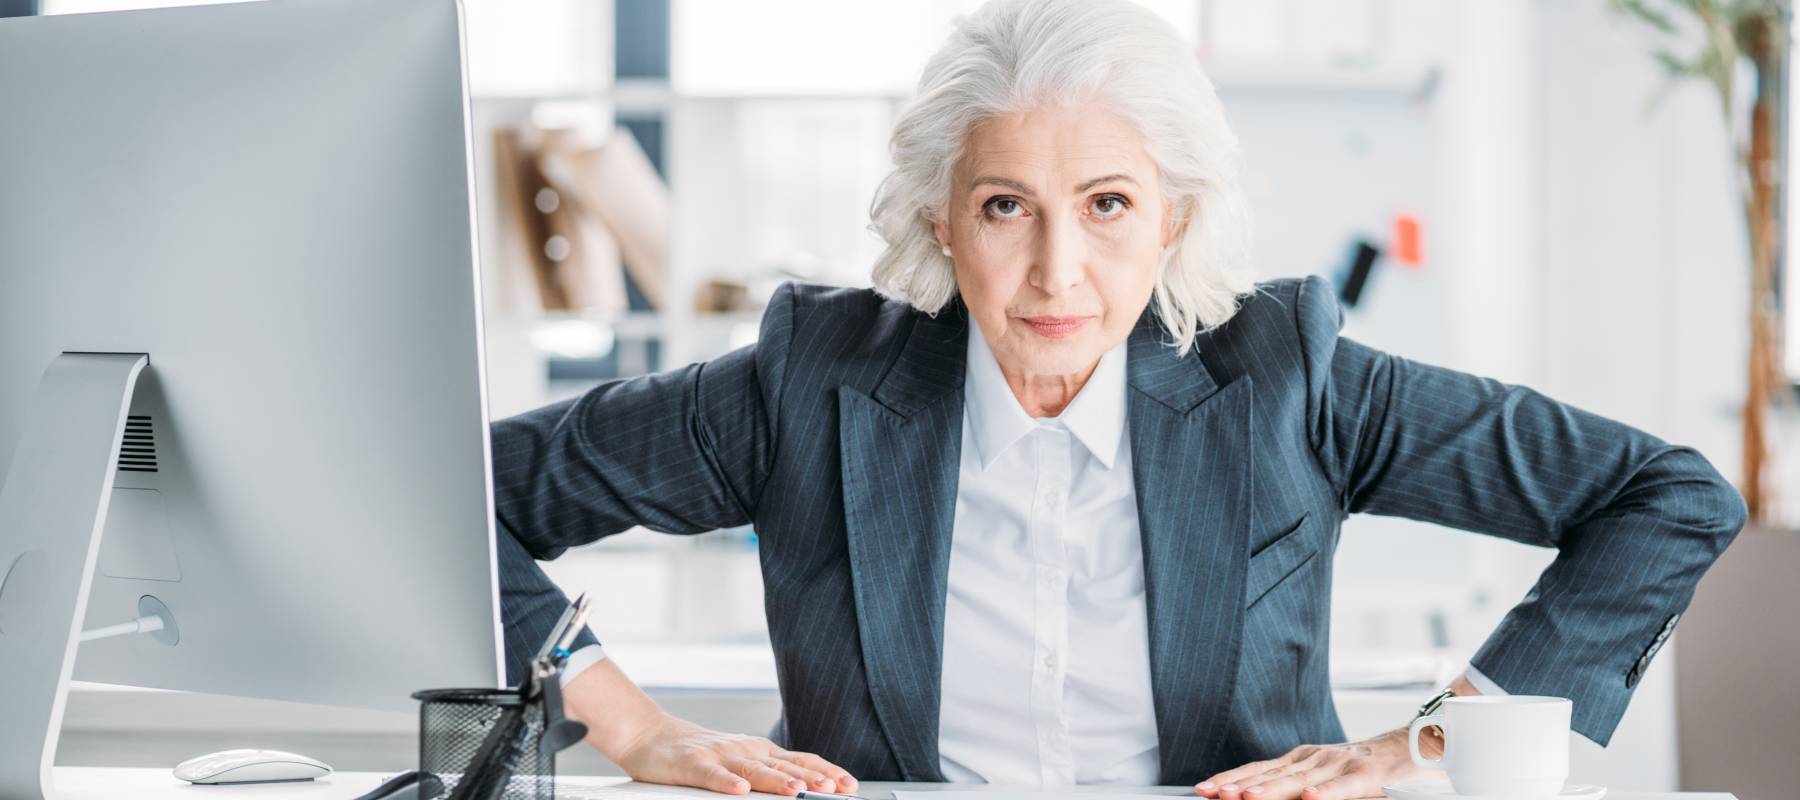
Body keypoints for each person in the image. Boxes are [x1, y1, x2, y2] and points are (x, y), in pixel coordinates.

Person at [488, 1, 1747, 799]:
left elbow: (1666, 494)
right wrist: (633, 727)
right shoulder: (810, 378)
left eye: (1106, 205)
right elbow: (456, 496)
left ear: (1173, 219)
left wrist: (1417, 743)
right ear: (942, 218)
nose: (1056, 271)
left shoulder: (1284, 373)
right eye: (1004, 208)